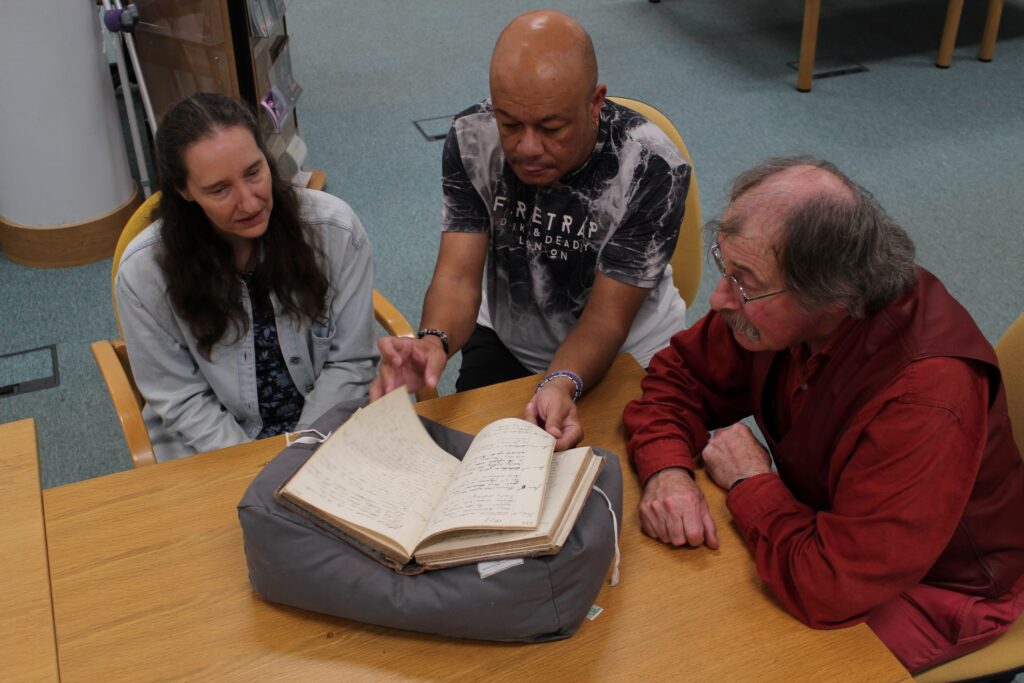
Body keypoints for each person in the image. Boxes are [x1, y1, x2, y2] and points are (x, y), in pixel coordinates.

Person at [623, 155, 1024, 673]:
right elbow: (679, 378)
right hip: (817, 527)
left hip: (935, 589)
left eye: (744, 281)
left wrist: (750, 480)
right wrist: (667, 471)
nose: (721, 297)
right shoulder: (776, 307)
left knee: (726, 662)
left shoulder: (927, 395)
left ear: (831, 294)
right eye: (727, 269)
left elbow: (831, 587)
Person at [371, 10, 691, 449]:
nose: (526, 148)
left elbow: (606, 320)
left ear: (595, 102)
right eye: (509, 124)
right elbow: (458, 278)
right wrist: (434, 341)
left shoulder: (651, 167)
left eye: (550, 128)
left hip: (626, 349)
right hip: (510, 336)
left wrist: (559, 381)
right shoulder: (471, 139)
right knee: (472, 474)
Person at [116, 93, 378, 461]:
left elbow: (350, 362)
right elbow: (182, 399)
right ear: (184, 191)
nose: (251, 203)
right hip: (213, 446)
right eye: (220, 189)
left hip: (327, 428)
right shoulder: (144, 272)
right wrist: (253, 469)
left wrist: (301, 451)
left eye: (254, 173)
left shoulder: (334, 229)